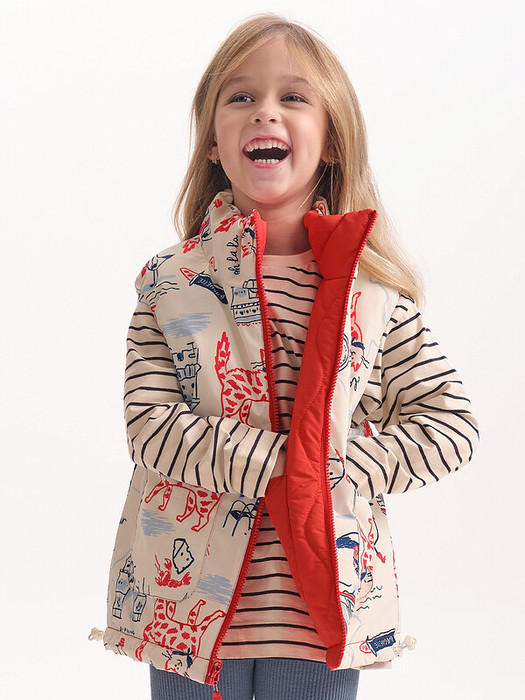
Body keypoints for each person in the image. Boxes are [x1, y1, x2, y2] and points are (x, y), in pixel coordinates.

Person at [99, 13, 479, 700]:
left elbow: (449, 426)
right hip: (186, 618)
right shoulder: (171, 283)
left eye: (293, 97)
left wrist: (336, 469)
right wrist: (289, 464)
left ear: (331, 141)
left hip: (320, 620)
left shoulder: (373, 296)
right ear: (212, 140)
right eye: (241, 96)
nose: (264, 111)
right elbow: (149, 426)